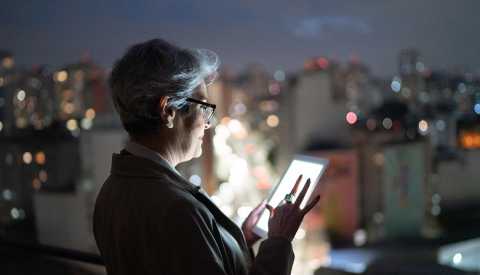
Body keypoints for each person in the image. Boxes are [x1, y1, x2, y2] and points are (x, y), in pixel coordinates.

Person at [93, 38, 321, 275]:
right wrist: (279, 241)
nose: (207, 122)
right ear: (168, 110)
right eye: (202, 106)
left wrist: (236, 239)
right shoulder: (177, 209)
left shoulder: (110, 192)